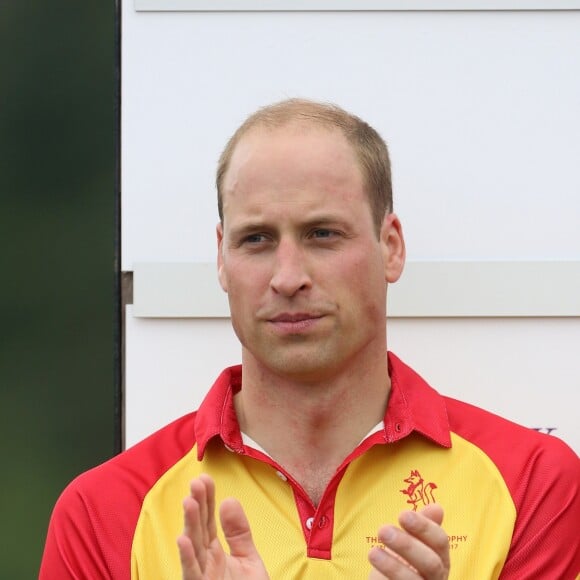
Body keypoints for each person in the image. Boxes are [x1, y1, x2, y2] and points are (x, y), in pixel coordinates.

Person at [40, 99, 580, 580]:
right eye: (257, 240)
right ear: (222, 260)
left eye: (322, 234)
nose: (288, 275)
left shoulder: (534, 484)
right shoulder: (102, 513)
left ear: (391, 247)